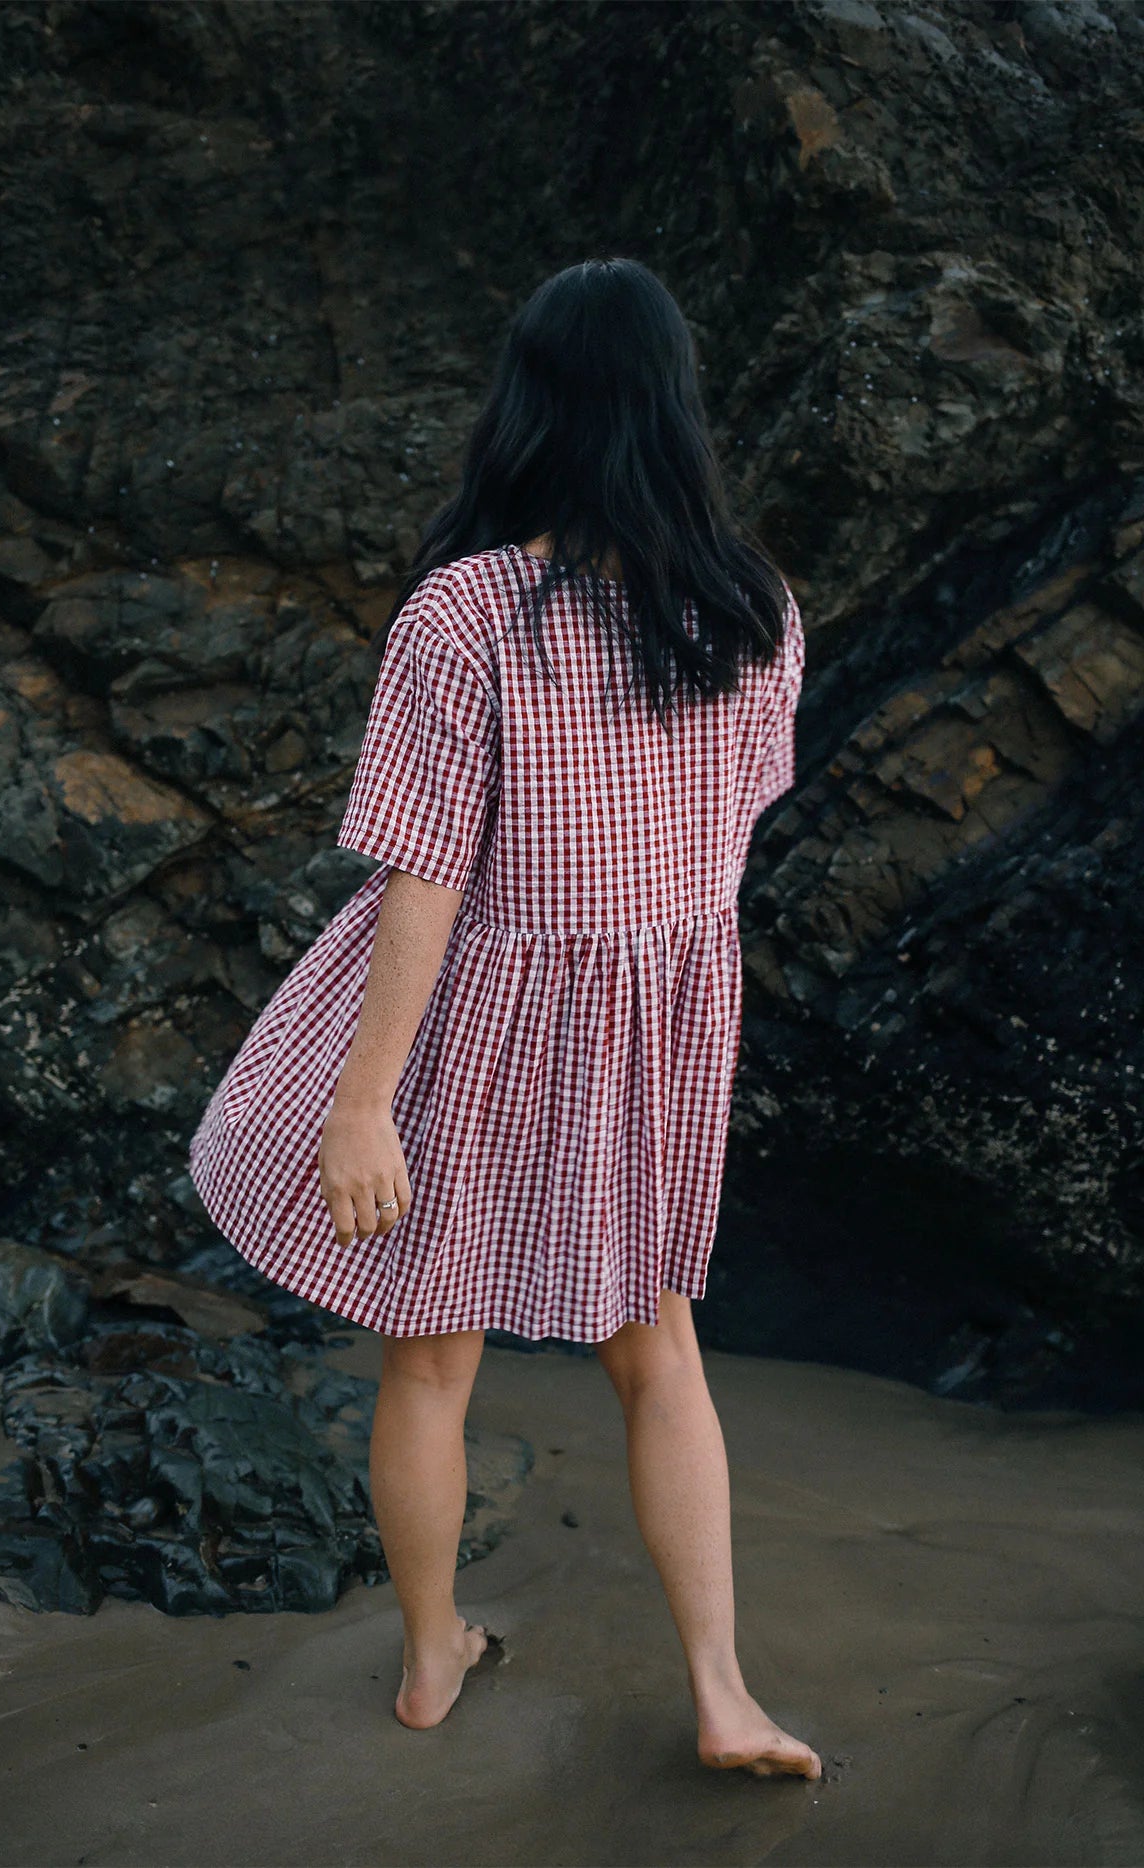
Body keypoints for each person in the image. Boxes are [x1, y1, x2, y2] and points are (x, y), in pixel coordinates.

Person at [189, 257, 819, 1779]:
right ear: (677, 408)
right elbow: (727, 845)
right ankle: (724, 1694)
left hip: (478, 1016)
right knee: (661, 1350)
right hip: (661, 1022)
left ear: (528, 405)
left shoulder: (471, 611)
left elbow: (421, 878)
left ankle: (430, 1658)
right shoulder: (754, 614)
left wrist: (359, 1102)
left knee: (427, 1362)